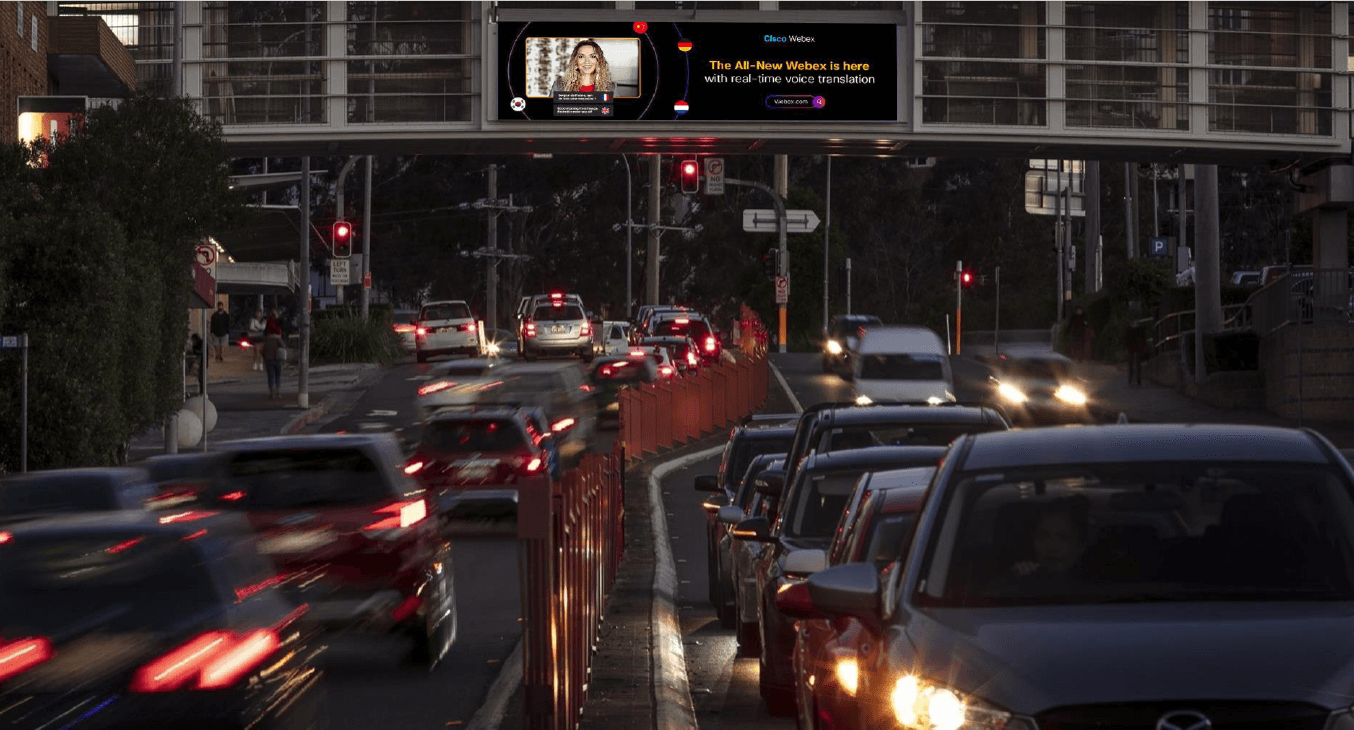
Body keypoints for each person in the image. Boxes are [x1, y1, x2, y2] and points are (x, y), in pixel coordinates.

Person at [988, 498, 1091, 595]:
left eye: (1062, 537)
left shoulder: (1097, 589)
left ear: (1081, 545)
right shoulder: (1015, 583)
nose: (1051, 545)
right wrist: (1008, 579)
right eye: (1043, 536)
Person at [550, 40, 615, 95]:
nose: (587, 61)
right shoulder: (557, 87)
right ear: (575, 61)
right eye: (581, 56)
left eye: (592, 56)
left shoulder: (611, 88)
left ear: (599, 61)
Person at [262, 331, 284, 400]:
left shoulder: (266, 341)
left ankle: (272, 392)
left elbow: (262, 351)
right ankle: (278, 391)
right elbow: (283, 346)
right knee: (278, 376)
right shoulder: (277, 340)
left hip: (269, 360)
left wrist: (265, 358)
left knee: (271, 377)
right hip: (277, 359)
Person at [1125, 319, 1147, 386]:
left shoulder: (1131, 328)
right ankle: (1135, 377)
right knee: (1134, 362)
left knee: (1135, 362)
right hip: (1134, 345)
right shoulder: (1133, 328)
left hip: (1135, 345)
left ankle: (1134, 377)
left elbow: (1143, 337)